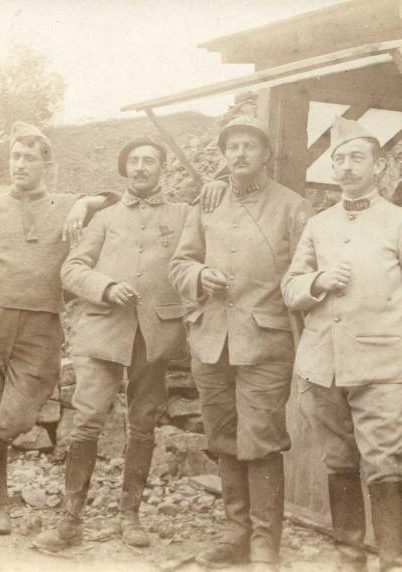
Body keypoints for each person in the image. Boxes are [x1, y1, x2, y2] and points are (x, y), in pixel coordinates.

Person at [33, 137, 224, 551]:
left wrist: (217, 184)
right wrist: (105, 287)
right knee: (87, 420)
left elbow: (203, 247)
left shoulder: (183, 214)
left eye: (149, 161)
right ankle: (70, 521)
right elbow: (72, 269)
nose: (140, 167)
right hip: (103, 329)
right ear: (124, 169)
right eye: (134, 161)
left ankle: (130, 516)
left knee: (143, 423)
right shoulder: (105, 218)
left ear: (162, 168)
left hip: (156, 334)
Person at [0, 121, 118, 535]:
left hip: (41, 326)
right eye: (15, 156)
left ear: (46, 165)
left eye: (29, 158)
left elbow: (115, 199)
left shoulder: (66, 205)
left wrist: (85, 204)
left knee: (16, 416)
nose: (20, 165)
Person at [281, 117, 402, 572]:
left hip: (380, 369)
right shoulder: (318, 225)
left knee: (384, 463)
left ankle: (394, 563)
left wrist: (386, 324)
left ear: (379, 166)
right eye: (339, 159)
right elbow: (291, 288)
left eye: (357, 157)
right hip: (322, 366)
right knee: (338, 461)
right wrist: (318, 281)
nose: (346, 166)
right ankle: (349, 559)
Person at [169, 116, 314, 571]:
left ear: (266, 154)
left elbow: (306, 273)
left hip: (265, 342)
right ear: (224, 154)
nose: (240, 153)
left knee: (262, 439)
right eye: (233, 147)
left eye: (249, 146)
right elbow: (179, 263)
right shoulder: (207, 202)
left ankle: (265, 544)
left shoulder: (293, 207)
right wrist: (199, 275)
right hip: (211, 340)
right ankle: (236, 535)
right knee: (222, 436)